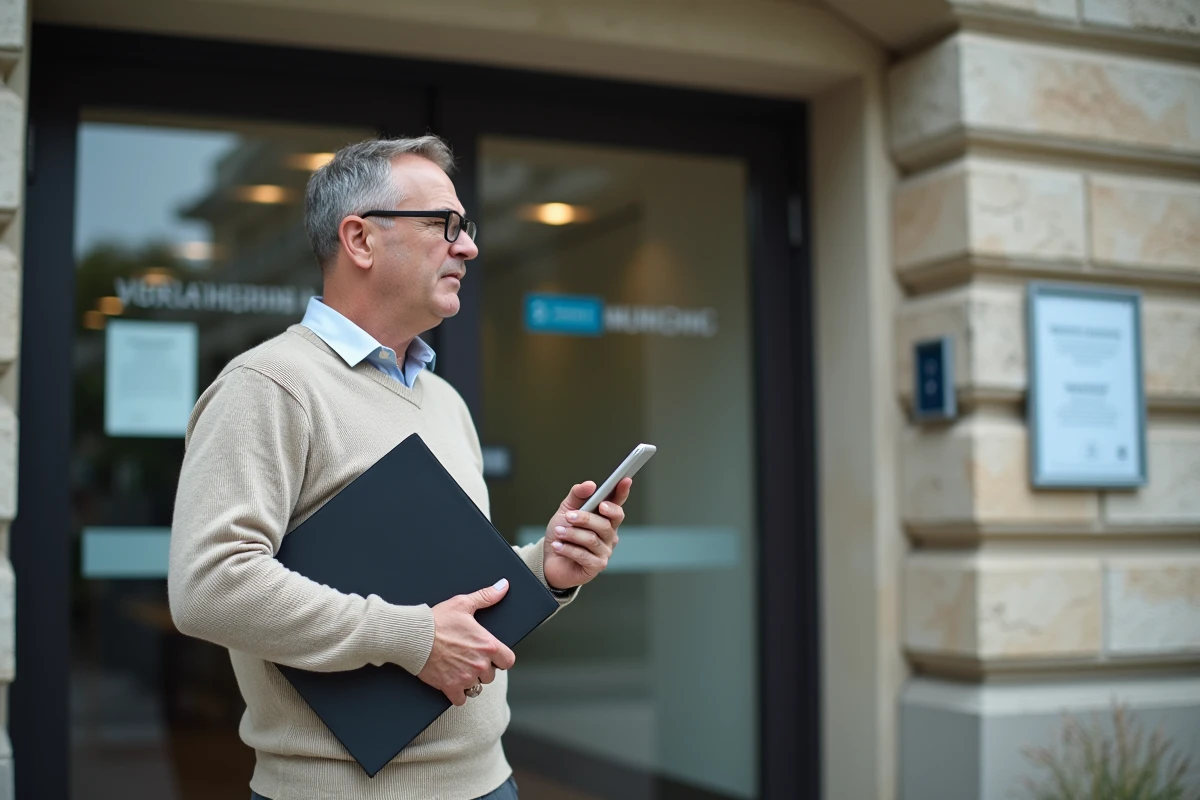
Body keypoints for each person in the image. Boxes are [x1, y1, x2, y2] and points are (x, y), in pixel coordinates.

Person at [168, 136, 632, 800]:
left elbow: (456, 604)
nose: (469, 248)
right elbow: (208, 585)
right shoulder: (269, 385)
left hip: (486, 782)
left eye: (466, 229)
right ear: (359, 240)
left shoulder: (444, 402)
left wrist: (547, 570)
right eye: (446, 226)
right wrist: (409, 637)